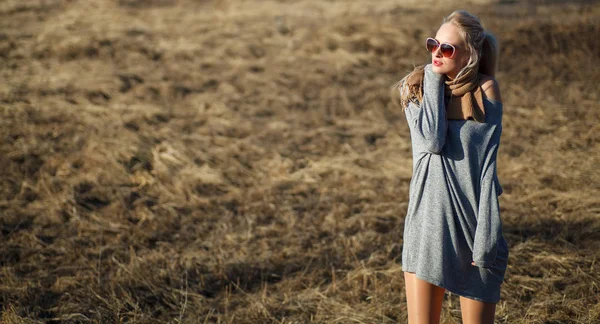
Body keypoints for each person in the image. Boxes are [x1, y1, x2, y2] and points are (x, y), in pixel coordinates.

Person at [392, 10, 508, 324]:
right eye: (433, 45)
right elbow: (432, 139)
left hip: (473, 226)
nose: (436, 54)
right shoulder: (415, 88)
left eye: (447, 49)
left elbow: (485, 170)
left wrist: (485, 240)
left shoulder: (485, 92)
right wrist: (432, 78)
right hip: (427, 224)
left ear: (471, 54)